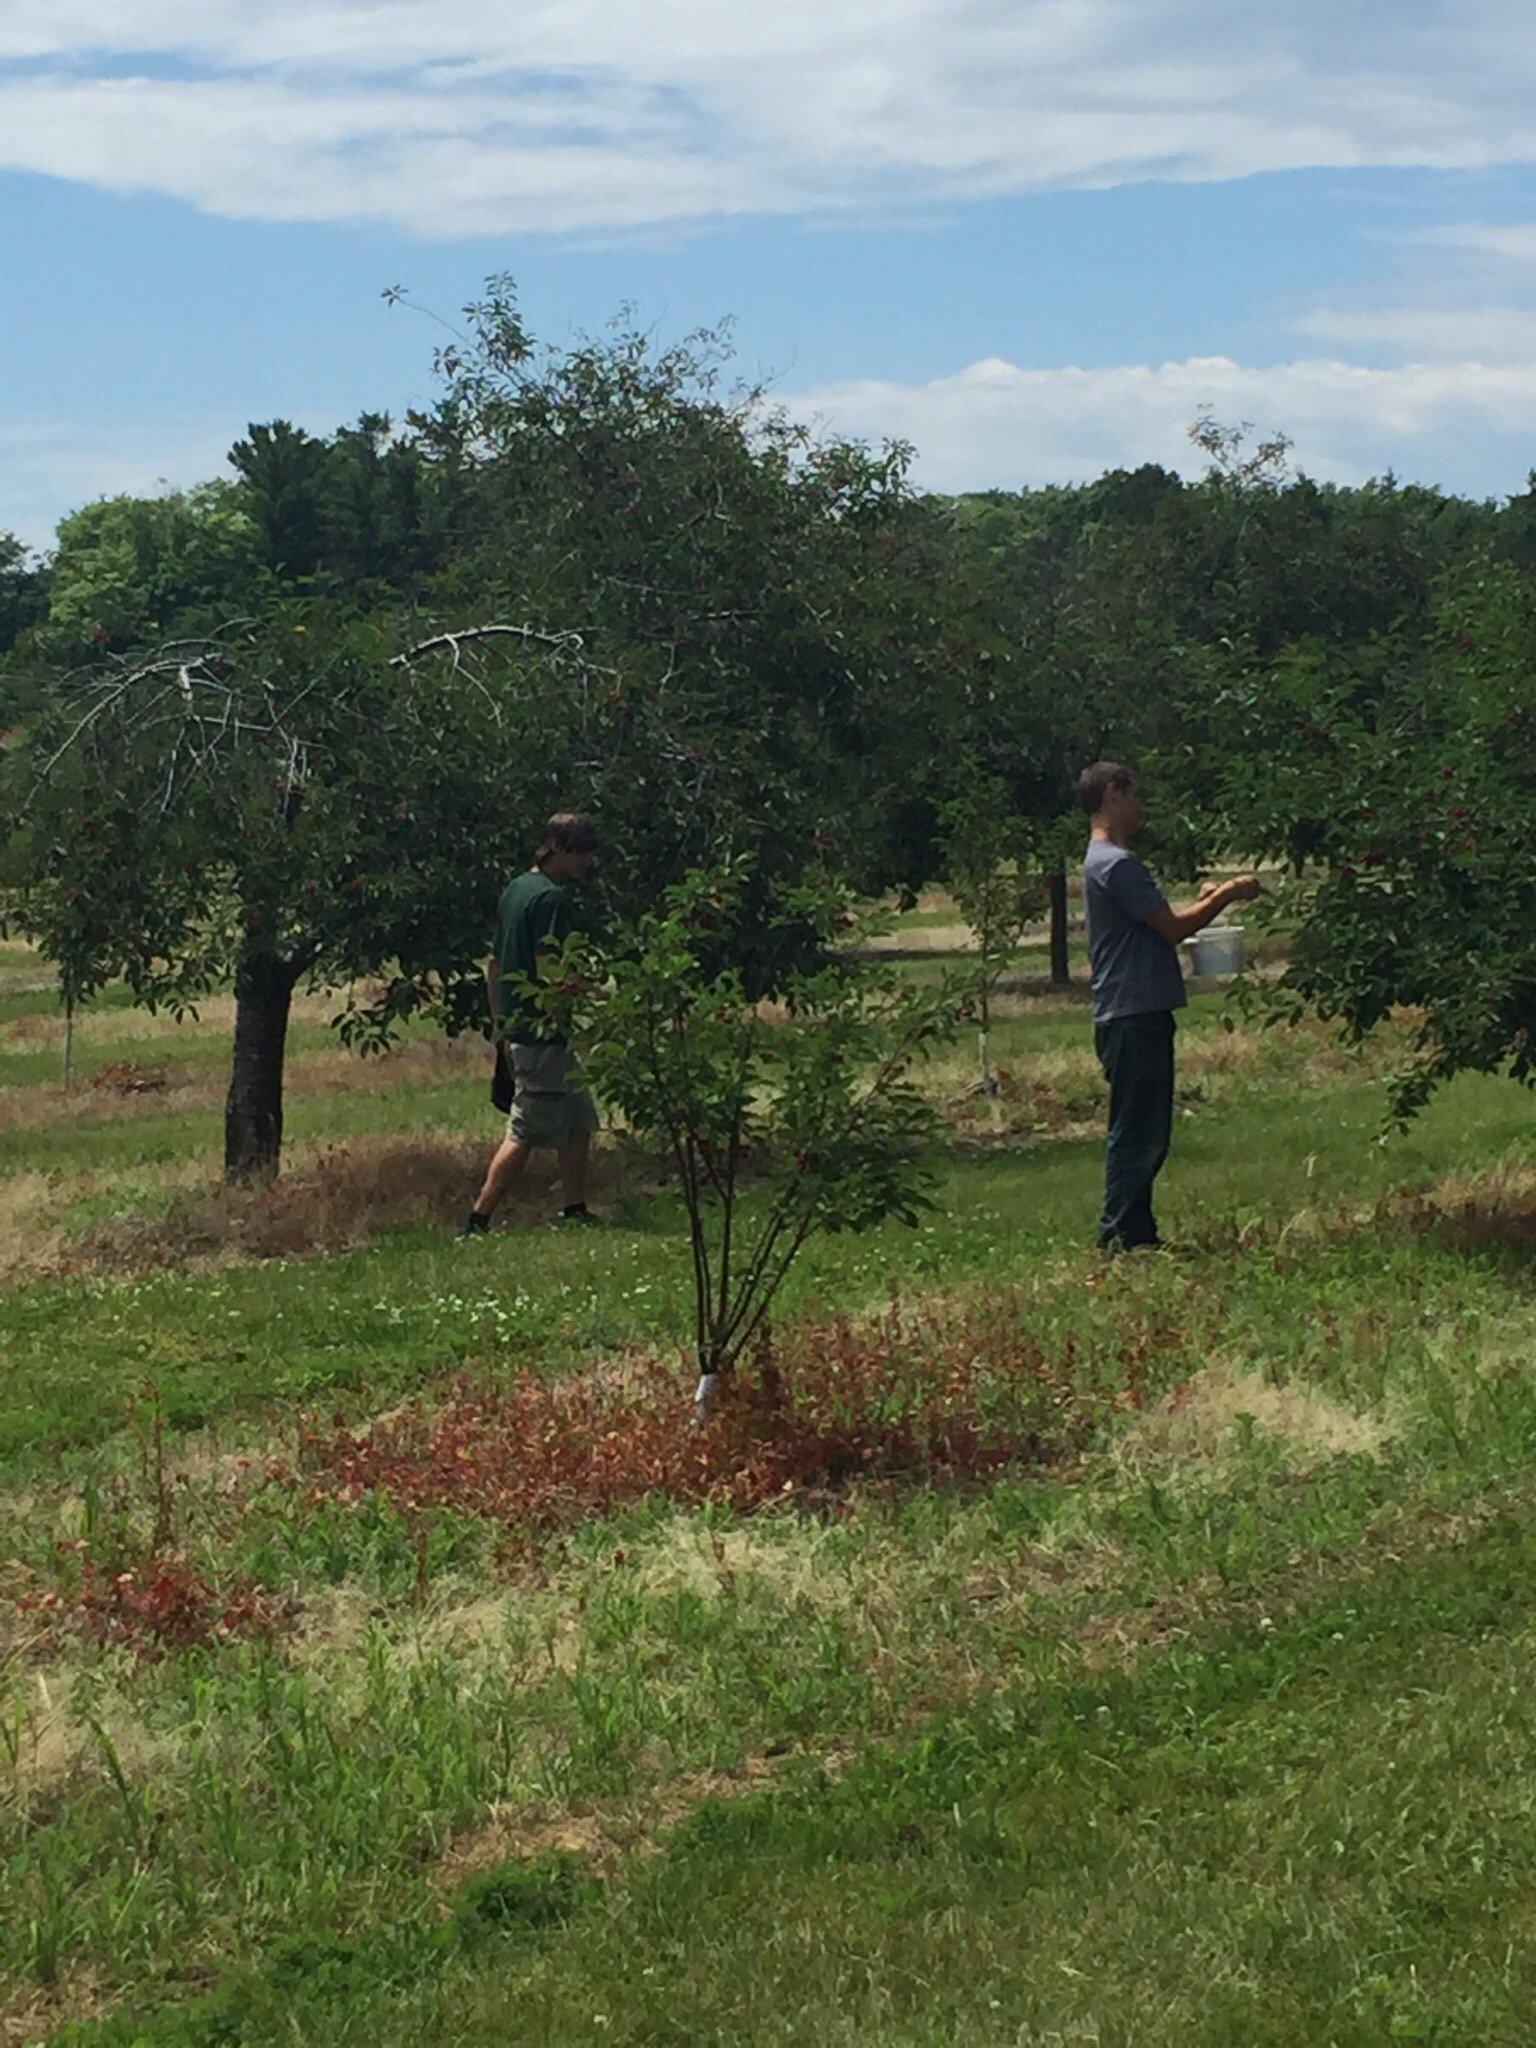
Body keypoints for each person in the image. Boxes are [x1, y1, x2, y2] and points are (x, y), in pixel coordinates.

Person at [1078, 762, 1259, 1253]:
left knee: (1143, 1128)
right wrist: (1228, 894)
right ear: (1114, 793)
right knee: (1138, 1131)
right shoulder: (1116, 863)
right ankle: (1118, 1236)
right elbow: (1173, 929)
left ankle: (1138, 1234)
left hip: (1133, 1009)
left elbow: (1158, 919)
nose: (1141, 807)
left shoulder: (1106, 861)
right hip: (1133, 1012)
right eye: (1134, 795)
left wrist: (1201, 901)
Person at [458, 812, 601, 1238]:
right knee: (525, 1129)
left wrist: (499, 1021)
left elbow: (496, 964)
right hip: (541, 1031)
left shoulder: (515, 889)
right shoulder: (552, 899)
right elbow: (549, 965)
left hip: (520, 1024)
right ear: (565, 849)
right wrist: (588, 996)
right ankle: (478, 1219)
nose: (587, 865)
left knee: (579, 1116)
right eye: (584, 854)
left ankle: (574, 1208)